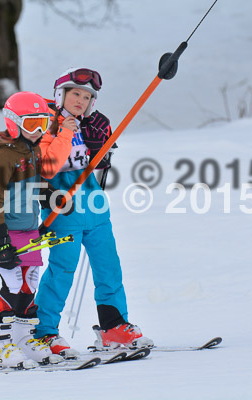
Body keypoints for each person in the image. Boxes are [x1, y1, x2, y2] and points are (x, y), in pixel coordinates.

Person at [34, 68, 153, 357]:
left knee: (109, 267)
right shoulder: (46, 124)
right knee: (62, 271)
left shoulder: (87, 124)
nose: (81, 100)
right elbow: (47, 166)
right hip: (63, 208)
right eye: (75, 93)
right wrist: (65, 130)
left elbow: (97, 164)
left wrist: (102, 145)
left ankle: (113, 327)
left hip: (95, 205)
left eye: (87, 96)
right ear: (60, 94)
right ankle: (44, 332)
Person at [0, 91, 72, 369]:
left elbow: (29, 184)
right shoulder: (0, 157)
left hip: (28, 229)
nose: (38, 131)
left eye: (42, 124)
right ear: (13, 123)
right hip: (3, 231)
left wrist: (49, 194)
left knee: (29, 282)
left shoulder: (30, 150)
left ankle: (21, 338)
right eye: (31, 125)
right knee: (12, 285)